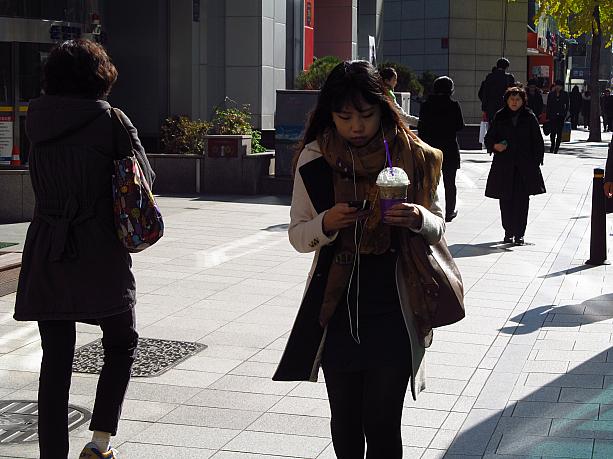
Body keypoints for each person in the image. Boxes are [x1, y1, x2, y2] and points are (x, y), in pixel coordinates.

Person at [272, 60, 445, 458]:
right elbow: (298, 235)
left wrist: (419, 219)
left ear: (383, 108)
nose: (355, 126)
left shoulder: (414, 156)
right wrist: (326, 223)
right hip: (338, 308)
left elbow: (440, 222)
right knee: (346, 421)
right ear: (328, 115)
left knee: (382, 422)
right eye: (344, 116)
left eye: (365, 115)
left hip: (395, 306)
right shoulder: (315, 159)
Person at [14, 39, 154, 459]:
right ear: (100, 76)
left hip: (46, 248)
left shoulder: (34, 120)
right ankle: (99, 443)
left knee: (55, 358)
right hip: (99, 249)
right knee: (121, 340)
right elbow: (145, 180)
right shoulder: (111, 120)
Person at [485, 86, 545, 246]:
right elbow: (489, 138)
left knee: (522, 200)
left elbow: (537, 141)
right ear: (506, 100)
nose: (514, 102)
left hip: (524, 166)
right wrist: (495, 146)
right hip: (504, 165)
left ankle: (519, 234)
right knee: (505, 200)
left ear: (523, 101)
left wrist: (536, 161)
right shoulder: (500, 116)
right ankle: (508, 231)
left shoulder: (529, 116)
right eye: (511, 99)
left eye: (517, 99)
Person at [418, 75, 465, 222]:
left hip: (430, 148)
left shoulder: (426, 105)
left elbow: (421, 127)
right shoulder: (453, 105)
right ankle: (449, 212)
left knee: (430, 181)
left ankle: (429, 209)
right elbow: (460, 126)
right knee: (450, 182)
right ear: (451, 89)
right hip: (449, 148)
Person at [479, 58, 515, 123]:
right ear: (506, 67)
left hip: (491, 108)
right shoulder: (509, 78)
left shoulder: (490, 77)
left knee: (492, 128)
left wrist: (485, 108)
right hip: (505, 108)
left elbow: (485, 93)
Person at [546, 80, 569, 153]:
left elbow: (567, 105)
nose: (558, 87)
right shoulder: (551, 94)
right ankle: (552, 146)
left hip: (561, 116)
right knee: (553, 133)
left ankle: (556, 148)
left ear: (562, 87)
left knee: (559, 133)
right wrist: (548, 115)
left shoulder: (565, 94)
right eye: (556, 85)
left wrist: (565, 113)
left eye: (559, 86)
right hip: (552, 116)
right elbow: (548, 105)